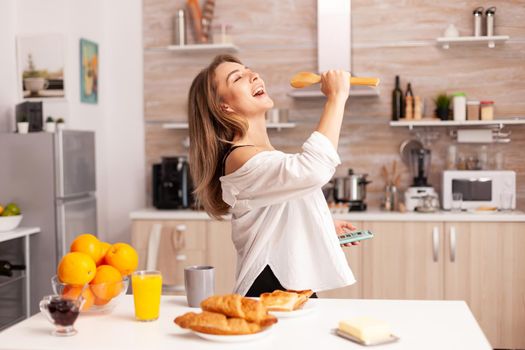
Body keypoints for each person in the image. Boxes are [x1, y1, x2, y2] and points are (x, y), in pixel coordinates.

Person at [188, 54, 357, 297]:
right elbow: (314, 169)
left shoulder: (263, 155)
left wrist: (320, 223)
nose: (253, 75)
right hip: (268, 288)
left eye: (249, 70)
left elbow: (278, 210)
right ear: (223, 106)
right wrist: (337, 97)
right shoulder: (240, 158)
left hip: (291, 285)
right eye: (238, 78)